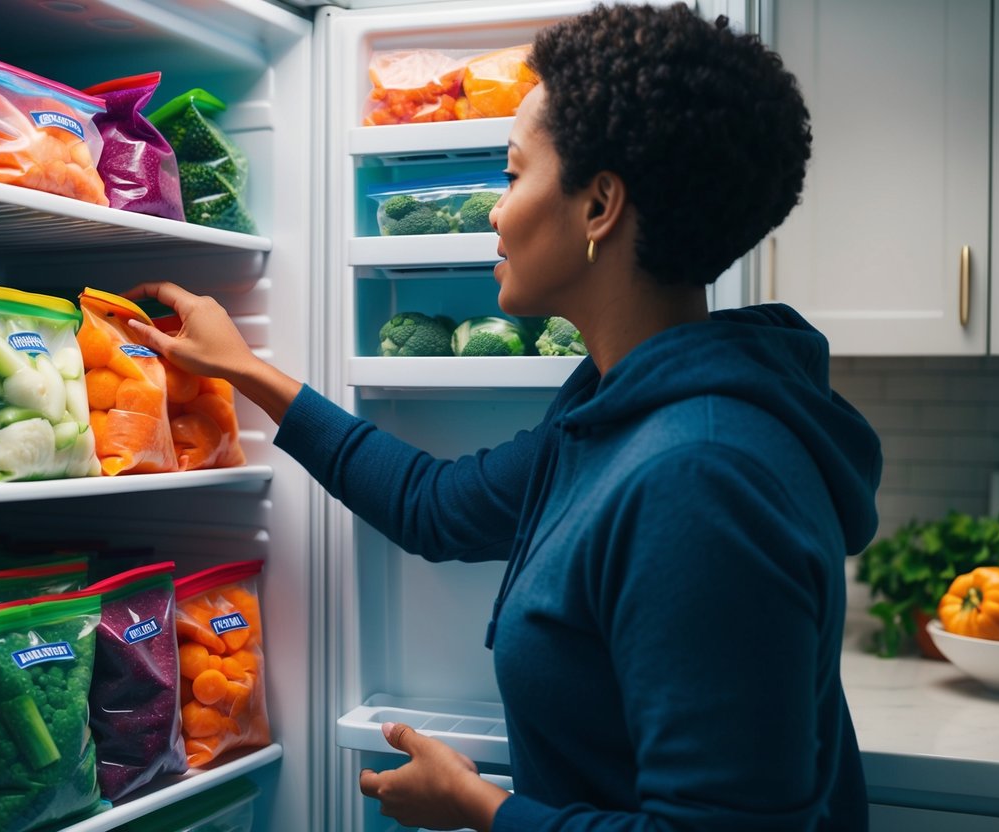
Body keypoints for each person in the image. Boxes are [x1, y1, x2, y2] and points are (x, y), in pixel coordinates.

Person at [125, 3, 882, 829]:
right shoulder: (614, 409)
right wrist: (243, 369)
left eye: (514, 174)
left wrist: (481, 807)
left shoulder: (699, 477)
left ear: (599, 207)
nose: (493, 208)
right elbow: (436, 507)